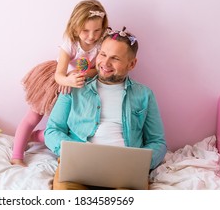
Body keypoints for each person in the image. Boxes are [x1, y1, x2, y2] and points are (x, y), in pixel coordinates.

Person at [44, 27, 167, 189]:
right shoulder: (74, 86)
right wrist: (74, 151)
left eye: (115, 58)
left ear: (132, 64)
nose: (105, 63)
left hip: (125, 171)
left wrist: (142, 162)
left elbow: (157, 141)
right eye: (103, 54)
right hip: (80, 165)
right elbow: (52, 130)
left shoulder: (144, 94)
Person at [11, 0, 109, 166]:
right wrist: (68, 78)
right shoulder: (70, 44)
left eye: (96, 30)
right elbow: (59, 75)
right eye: (85, 30)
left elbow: (98, 69)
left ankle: (37, 136)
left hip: (81, 85)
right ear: (75, 26)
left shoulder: (101, 44)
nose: (91, 36)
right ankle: (17, 155)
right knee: (33, 116)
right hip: (57, 82)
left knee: (69, 126)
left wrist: (81, 75)